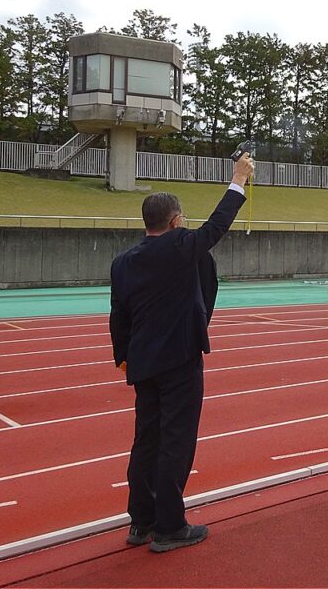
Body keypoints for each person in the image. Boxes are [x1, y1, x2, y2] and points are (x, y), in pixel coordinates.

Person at [109, 151, 254, 553]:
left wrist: (123, 357)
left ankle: (141, 521)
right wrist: (238, 178)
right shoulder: (180, 248)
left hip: (142, 363)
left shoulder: (123, 262)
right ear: (174, 222)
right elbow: (218, 226)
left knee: (146, 440)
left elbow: (118, 316)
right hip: (178, 361)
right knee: (176, 440)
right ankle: (170, 526)